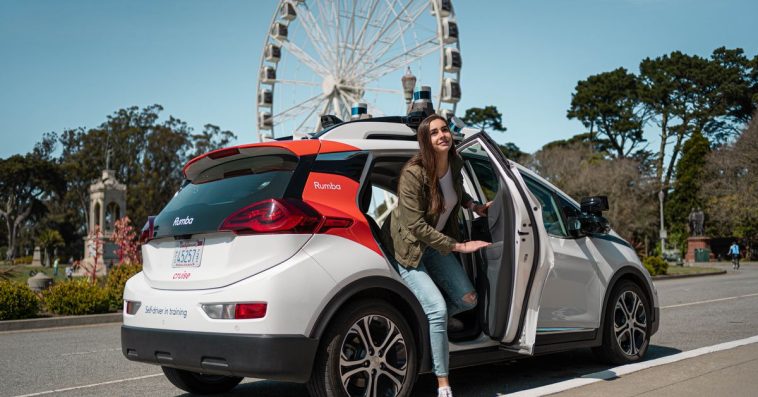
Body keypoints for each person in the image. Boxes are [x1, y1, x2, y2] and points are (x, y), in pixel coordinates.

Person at [385, 114, 491, 397]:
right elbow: (415, 225)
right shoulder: (413, 174)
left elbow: (457, 191)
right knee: (439, 310)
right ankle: (443, 383)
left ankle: (427, 321)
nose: (442, 135)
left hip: (436, 244)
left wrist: (474, 206)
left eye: (444, 129)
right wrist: (458, 247)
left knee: (468, 299)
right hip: (410, 248)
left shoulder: (455, 163)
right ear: (425, 140)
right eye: (434, 133)